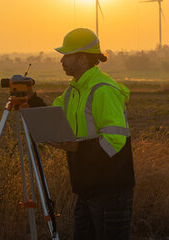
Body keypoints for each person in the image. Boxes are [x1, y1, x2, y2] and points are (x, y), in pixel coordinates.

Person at [26, 28, 134, 240]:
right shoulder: (74, 91)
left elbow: (116, 139)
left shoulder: (102, 90)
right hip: (86, 187)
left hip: (111, 189)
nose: (62, 60)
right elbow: (54, 117)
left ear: (83, 58)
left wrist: (77, 147)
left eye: (67, 55)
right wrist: (30, 98)